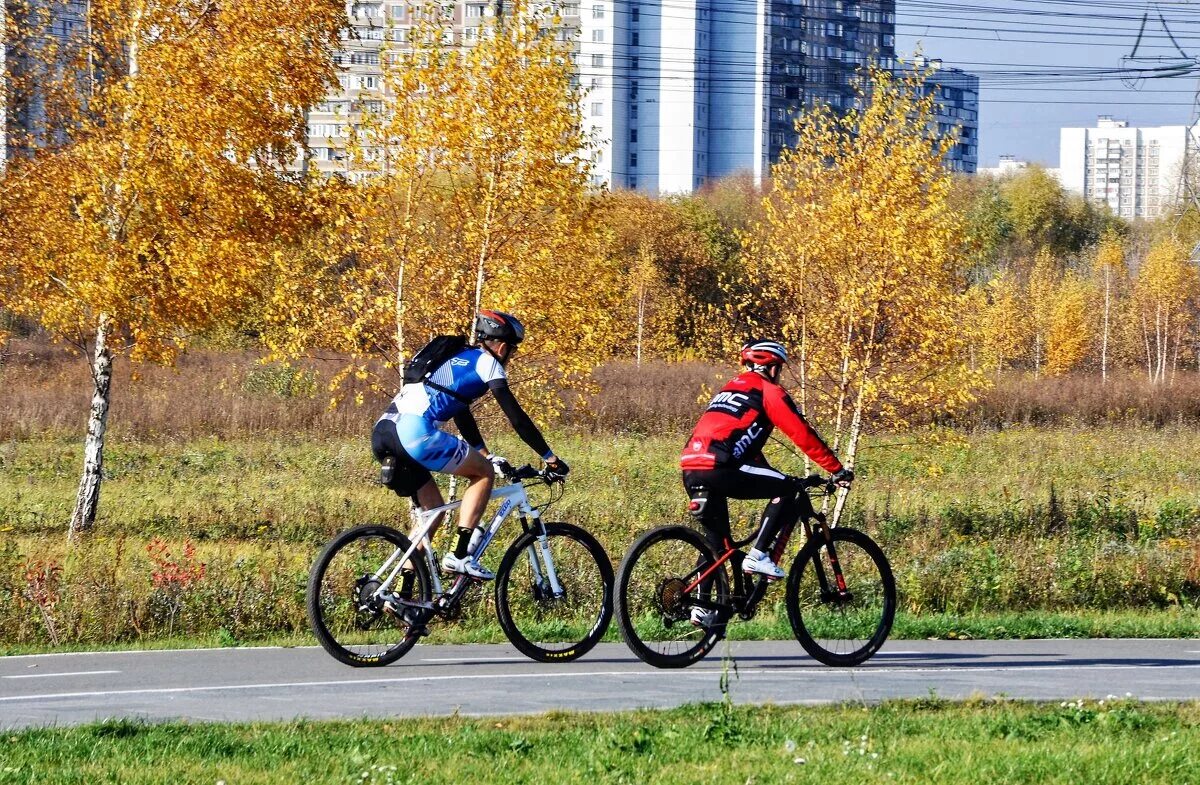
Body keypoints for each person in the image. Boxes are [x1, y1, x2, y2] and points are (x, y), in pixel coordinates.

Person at [372, 310, 569, 581]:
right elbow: (517, 418)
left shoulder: (455, 359)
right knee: (483, 473)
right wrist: (550, 457)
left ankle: (400, 595)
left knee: (432, 513)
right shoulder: (488, 363)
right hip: (414, 432)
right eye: (511, 350)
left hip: (384, 431)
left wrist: (485, 453)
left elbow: (460, 411)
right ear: (501, 346)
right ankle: (459, 555)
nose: (509, 356)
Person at [680, 339, 853, 616]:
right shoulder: (768, 391)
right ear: (771, 367)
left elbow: (746, 447)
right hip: (721, 465)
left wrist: (770, 473)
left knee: (716, 543)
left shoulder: (729, 390)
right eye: (780, 368)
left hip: (690, 465)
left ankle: (701, 608)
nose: (780, 374)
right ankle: (758, 556)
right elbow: (801, 433)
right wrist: (836, 469)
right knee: (790, 489)